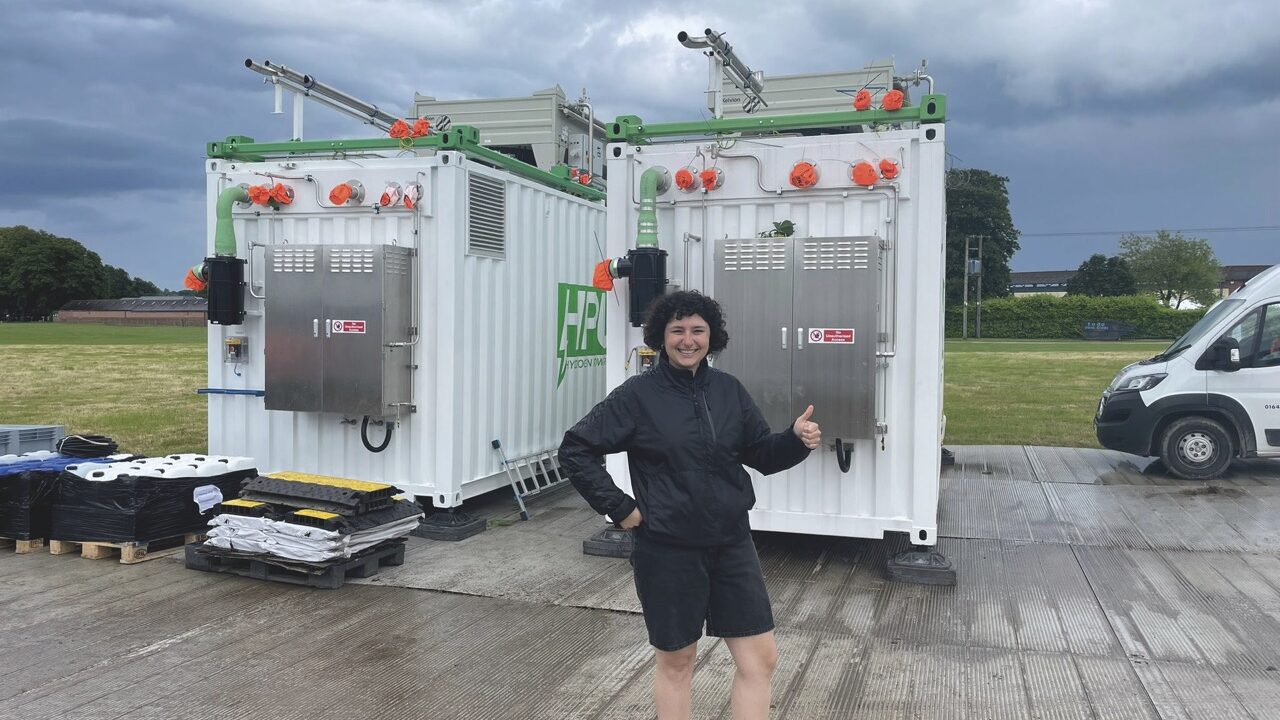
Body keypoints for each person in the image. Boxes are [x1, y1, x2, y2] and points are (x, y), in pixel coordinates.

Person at [558, 290, 821, 720]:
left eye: (697, 330)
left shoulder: (728, 391)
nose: (687, 339)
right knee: (678, 663)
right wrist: (621, 509)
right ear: (660, 337)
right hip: (667, 549)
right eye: (677, 330)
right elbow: (576, 448)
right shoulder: (638, 396)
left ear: (711, 337)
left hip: (731, 543)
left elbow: (762, 454)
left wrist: (794, 440)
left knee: (760, 659)